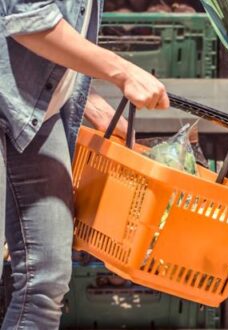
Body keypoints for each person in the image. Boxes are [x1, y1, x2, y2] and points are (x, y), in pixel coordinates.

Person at [0, 1, 169, 328]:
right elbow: (28, 19)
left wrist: (85, 96)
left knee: (45, 282)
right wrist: (123, 71)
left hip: (35, 109)